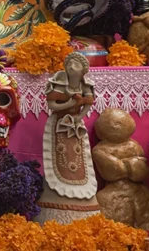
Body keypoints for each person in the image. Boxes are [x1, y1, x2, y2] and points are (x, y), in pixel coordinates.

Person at [34, 52, 100, 224]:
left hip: (76, 125)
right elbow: (51, 104)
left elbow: (88, 103)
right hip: (58, 123)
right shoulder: (58, 82)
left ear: (83, 71)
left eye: (76, 65)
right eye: (69, 64)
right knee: (59, 154)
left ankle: (80, 195)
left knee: (77, 156)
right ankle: (56, 193)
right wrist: (69, 104)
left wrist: (79, 117)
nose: (71, 67)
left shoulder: (85, 85)